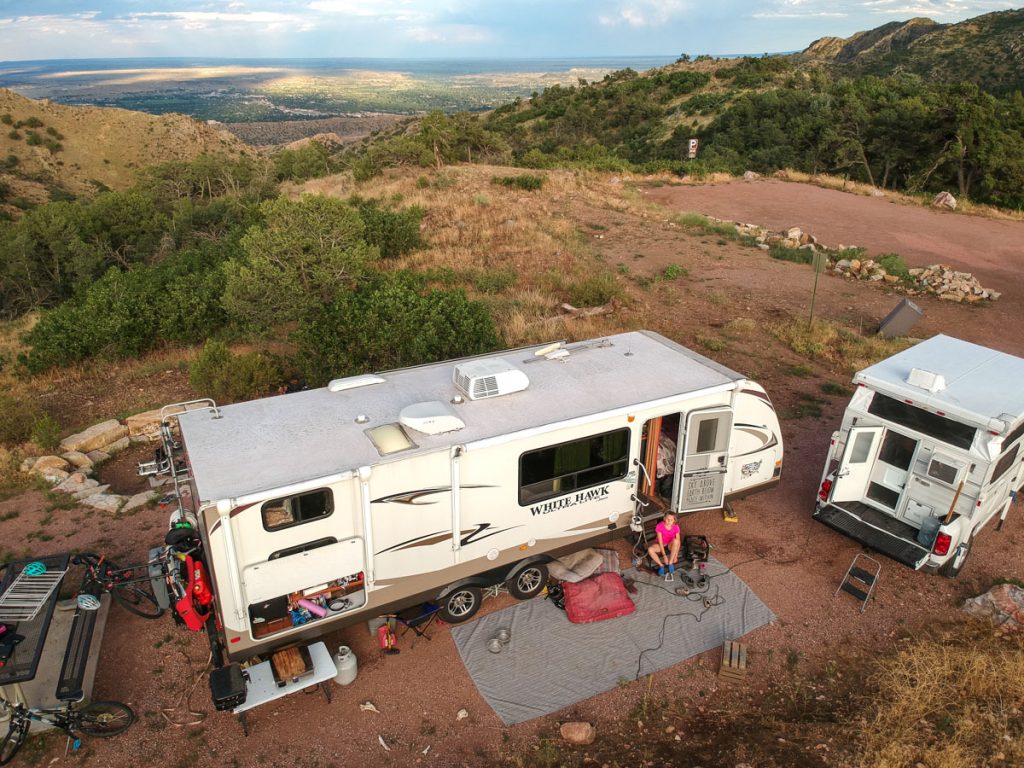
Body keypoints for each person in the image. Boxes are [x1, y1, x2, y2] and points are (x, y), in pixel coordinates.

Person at [648, 511, 681, 577]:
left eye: (671, 520)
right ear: (664, 518)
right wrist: (664, 556)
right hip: (661, 544)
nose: (669, 521)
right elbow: (660, 542)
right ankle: (661, 565)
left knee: (676, 541)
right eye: (667, 519)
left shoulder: (676, 527)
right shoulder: (660, 526)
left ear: (674, 520)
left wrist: (676, 556)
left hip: (670, 545)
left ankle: (670, 562)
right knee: (650, 549)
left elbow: (678, 542)